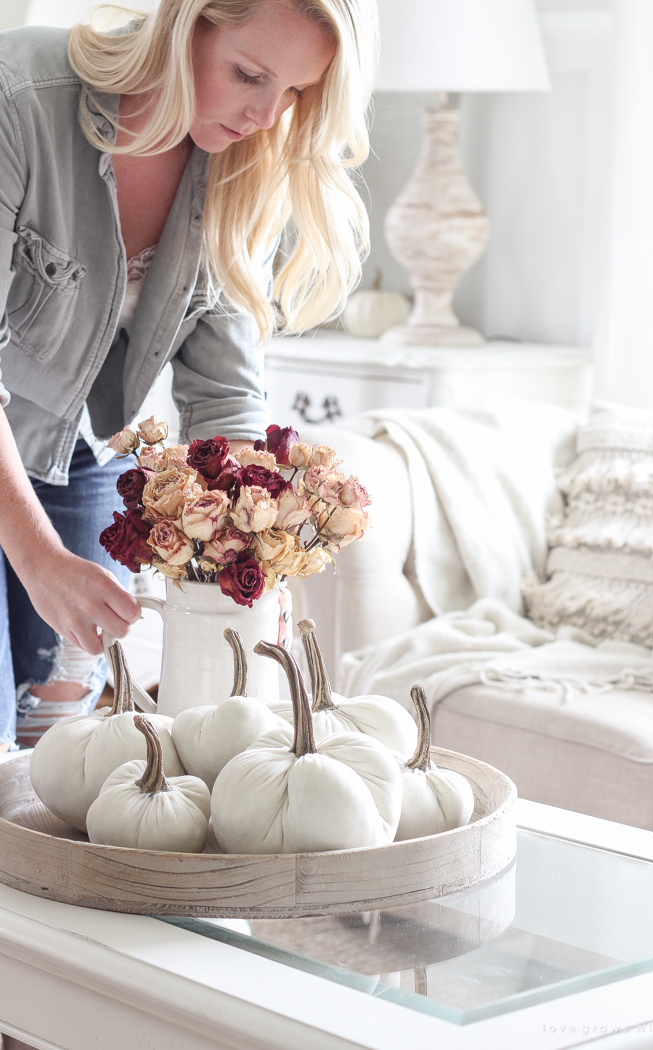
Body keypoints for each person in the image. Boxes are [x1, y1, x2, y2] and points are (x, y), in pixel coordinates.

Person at [0, 0, 375, 749]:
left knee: (64, 737)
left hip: (74, 447)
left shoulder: (244, 170)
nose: (266, 115)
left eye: (295, 92)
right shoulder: (20, 100)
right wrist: (39, 558)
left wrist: (250, 557)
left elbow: (226, 394)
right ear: (186, 26)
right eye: (249, 75)